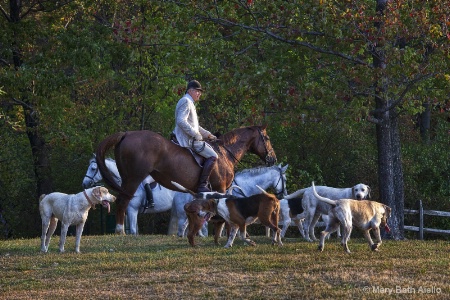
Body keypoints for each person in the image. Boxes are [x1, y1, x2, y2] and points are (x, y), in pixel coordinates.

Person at [173, 80, 218, 192]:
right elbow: (181, 121)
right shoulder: (186, 101)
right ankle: (202, 185)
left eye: (200, 92)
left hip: (190, 137)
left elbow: (195, 125)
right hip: (188, 140)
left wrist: (208, 134)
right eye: (197, 91)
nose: (199, 94)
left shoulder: (189, 102)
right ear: (190, 91)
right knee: (213, 156)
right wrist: (196, 134)